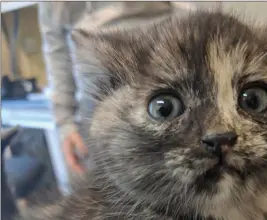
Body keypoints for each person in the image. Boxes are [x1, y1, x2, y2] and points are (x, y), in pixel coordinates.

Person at [38, 1, 201, 175]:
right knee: (106, 187)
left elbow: (190, 9)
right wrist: (65, 124)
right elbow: (56, 44)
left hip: (168, 69)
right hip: (94, 94)